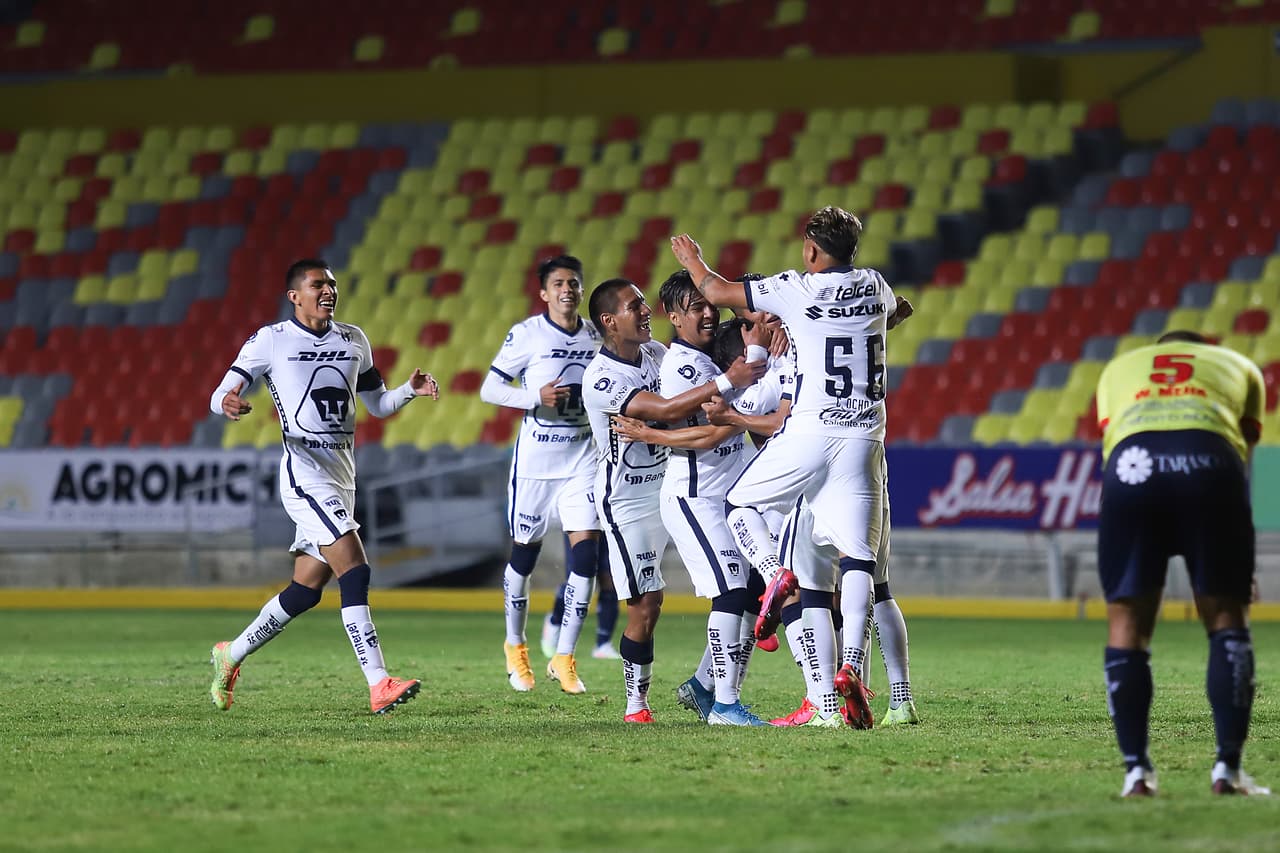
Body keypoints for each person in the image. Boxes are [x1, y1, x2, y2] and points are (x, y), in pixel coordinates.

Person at [670, 206, 910, 728]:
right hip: (864, 436)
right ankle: (850, 668)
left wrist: (693, 260)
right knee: (859, 560)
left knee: (741, 503)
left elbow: (715, 290)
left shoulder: (794, 288)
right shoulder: (875, 284)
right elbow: (895, 310)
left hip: (807, 430)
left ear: (810, 250)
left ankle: (774, 573)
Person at [207, 258, 438, 714]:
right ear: (295, 296)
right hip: (304, 473)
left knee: (305, 590)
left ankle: (229, 655)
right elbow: (220, 394)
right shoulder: (271, 340)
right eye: (318, 285)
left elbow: (378, 404)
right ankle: (379, 683)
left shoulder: (354, 339)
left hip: (342, 475)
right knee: (355, 567)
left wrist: (408, 390)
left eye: (332, 284)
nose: (328, 291)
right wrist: (228, 402)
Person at [581, 277, 765, 723]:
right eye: (634, 307)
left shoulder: (657, 355)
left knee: (744, 588)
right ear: (609, 321)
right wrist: (730, 380)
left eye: (645, 304)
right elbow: (663, 411)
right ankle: (636, 703)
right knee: (648, 604)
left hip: (673, 480)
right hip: (627, 498)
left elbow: (683, 403)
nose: (646, 312)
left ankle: (707, 687)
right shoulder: (601, 378)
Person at [1095, 330, 1267, 797]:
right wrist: (1237, 558)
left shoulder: (1117, 369)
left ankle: (1136, 773)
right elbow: (1245, 458)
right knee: (1227, 617)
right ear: (1203, 349)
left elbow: (1111, 444)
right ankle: (1227, 771)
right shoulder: (1241, 367)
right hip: (1211, 463)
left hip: (1134, 464)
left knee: (1127, 623)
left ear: (1157, 351)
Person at [479, 255, 607, 694]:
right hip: (536, 464)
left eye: (574, 282)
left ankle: (565, 656)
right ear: (544, 293)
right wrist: (536, 395)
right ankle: (515, 646)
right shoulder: (528, 334)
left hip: (582, 461)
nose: (567, 289)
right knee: (524, 558)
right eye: (558, 283)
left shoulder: (595, 335)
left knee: (586, 560)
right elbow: (490, 387)